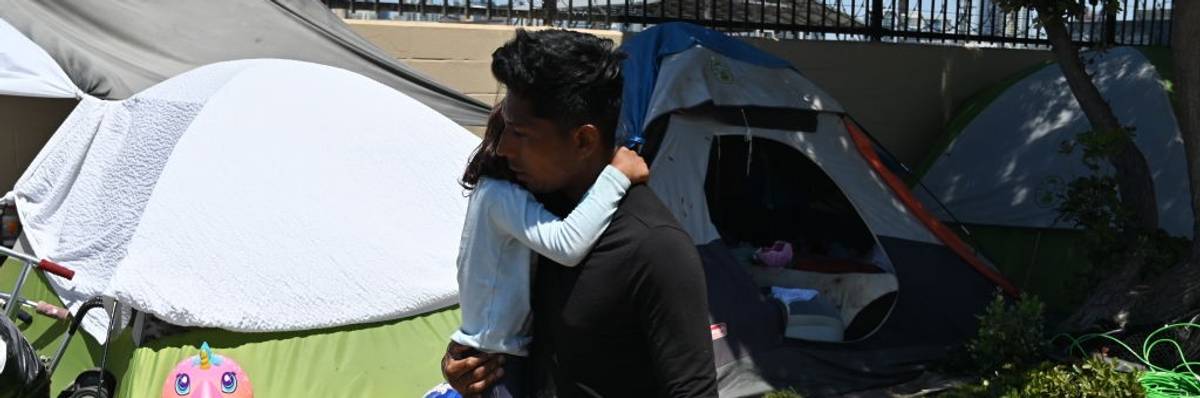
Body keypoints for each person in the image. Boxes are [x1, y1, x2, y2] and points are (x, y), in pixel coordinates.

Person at [442, 29, 718, 397]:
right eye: (504, 127)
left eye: (520, 134)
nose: (503, 148)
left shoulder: (654, 246)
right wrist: (465, 365)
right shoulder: (536, 208)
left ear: (583, 140)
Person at [452, 106, 650, 398]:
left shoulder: (491, 192)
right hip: (497, 363)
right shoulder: (500, 195)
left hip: (499, 354)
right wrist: (617, 176)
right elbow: (566, 244)